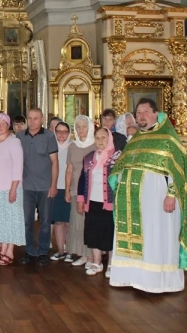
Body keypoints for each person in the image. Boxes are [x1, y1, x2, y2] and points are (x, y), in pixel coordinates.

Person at [109, 98, 187, 293]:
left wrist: (171, 195)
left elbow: (180, 171)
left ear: (156, 114)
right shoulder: (135, 140)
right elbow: (121, 167)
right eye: (138, 113)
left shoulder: (168, 138)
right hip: (132, 201)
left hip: (157, 198)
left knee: (155, 236)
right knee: (140, 236)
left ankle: (157, 280)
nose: (141, 116)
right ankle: (132, 277)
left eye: (145, 112)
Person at [77, 128, 121, 277]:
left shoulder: (118, 157)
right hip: (92, 201)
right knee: (93, 231)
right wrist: (81, 199)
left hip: (109, 202)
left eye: (103, 137)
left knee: (108, 232)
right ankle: (97, 262)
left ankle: (111, 263)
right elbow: (82, 179)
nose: (100, 141)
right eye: (97, 138)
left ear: (109, 138)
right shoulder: (89, 157)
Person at [18, 108, 58, 267]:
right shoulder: (20, 136)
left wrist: (53, 184)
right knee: (27, 221)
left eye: (36, 118)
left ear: (42, 120)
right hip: (26, 186)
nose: (33, 121)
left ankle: (42, 252)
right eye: (30, 118)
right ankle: (29, 251)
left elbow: (55, 162)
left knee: (45, 221)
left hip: (45, 186)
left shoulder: (49, 136)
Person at [0, 113, 24, 266]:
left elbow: (18, 168)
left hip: (9, 187)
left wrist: (13, 189)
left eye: (2, 124)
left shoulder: (14, 142)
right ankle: (1, 249)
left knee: (10, 219)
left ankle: (9, 251)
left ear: (8, 125)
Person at [64, 115, 95, 267]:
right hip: (76, 188)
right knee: (77, 222)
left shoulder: (96, 145)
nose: (81, 130)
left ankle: (92, 256)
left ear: (90, 128)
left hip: (93, 190)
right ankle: (83, 254)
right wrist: (67, 190)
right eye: (78, 127)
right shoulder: (72, 146)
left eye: (84, 126)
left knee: (90, 223)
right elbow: (69, 169)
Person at [50, 121, 72, 261]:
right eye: (59, 131)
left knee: (69, 222)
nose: (62, 134)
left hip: (69, 188)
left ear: (69, 133)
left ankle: (70, 250)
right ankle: (60, 250)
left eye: (65, 132)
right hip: (55, 188)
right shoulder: (51, 147)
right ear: (55, 132)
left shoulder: (73, 147)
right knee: (58, 222)